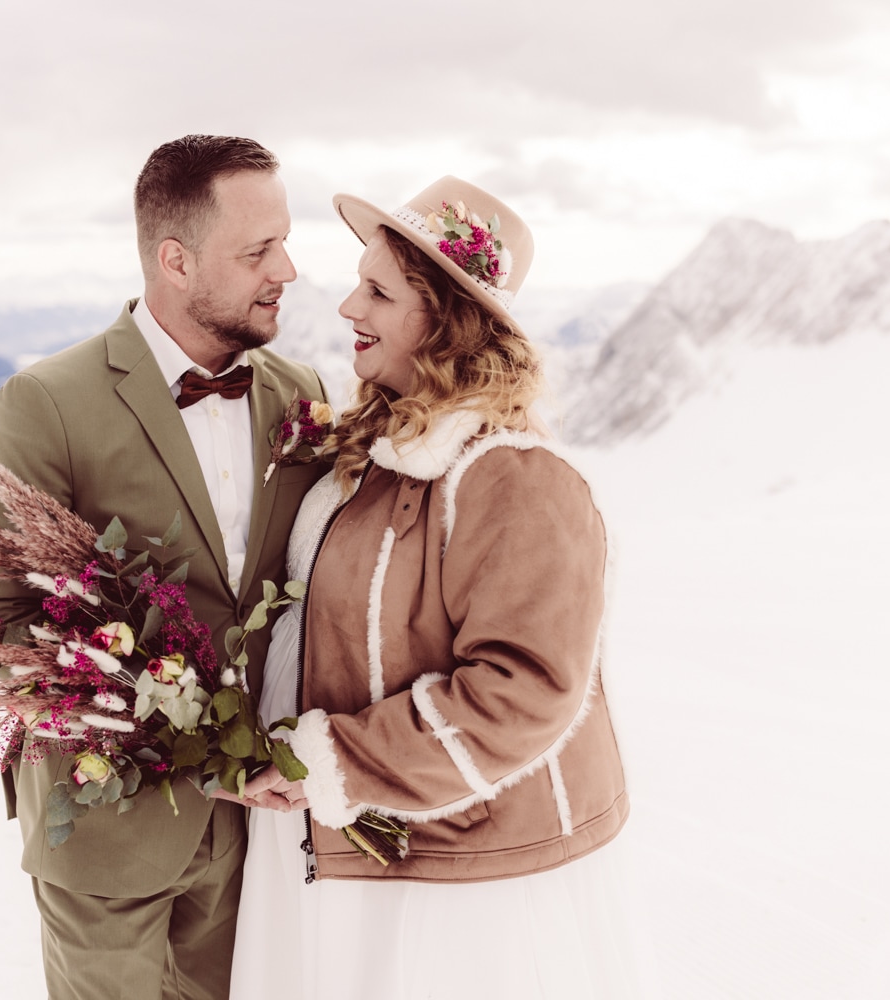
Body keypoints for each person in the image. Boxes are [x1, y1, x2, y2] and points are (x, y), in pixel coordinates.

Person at [226, 177, 646, 998]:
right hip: (350, 856)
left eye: (379, 291)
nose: (348, 307)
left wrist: (330, 761)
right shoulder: (374, 456)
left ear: (448, 322)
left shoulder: (516, 479)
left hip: (460, 896)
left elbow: (523, 694)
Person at [0, 135, 329, 1000]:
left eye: (284, 240)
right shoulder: (46, 402)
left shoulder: (300, 393)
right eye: (257, 251)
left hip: (259, 836)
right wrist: (182, 739)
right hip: (106, 831)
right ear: (175, 259)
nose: (289, 269)